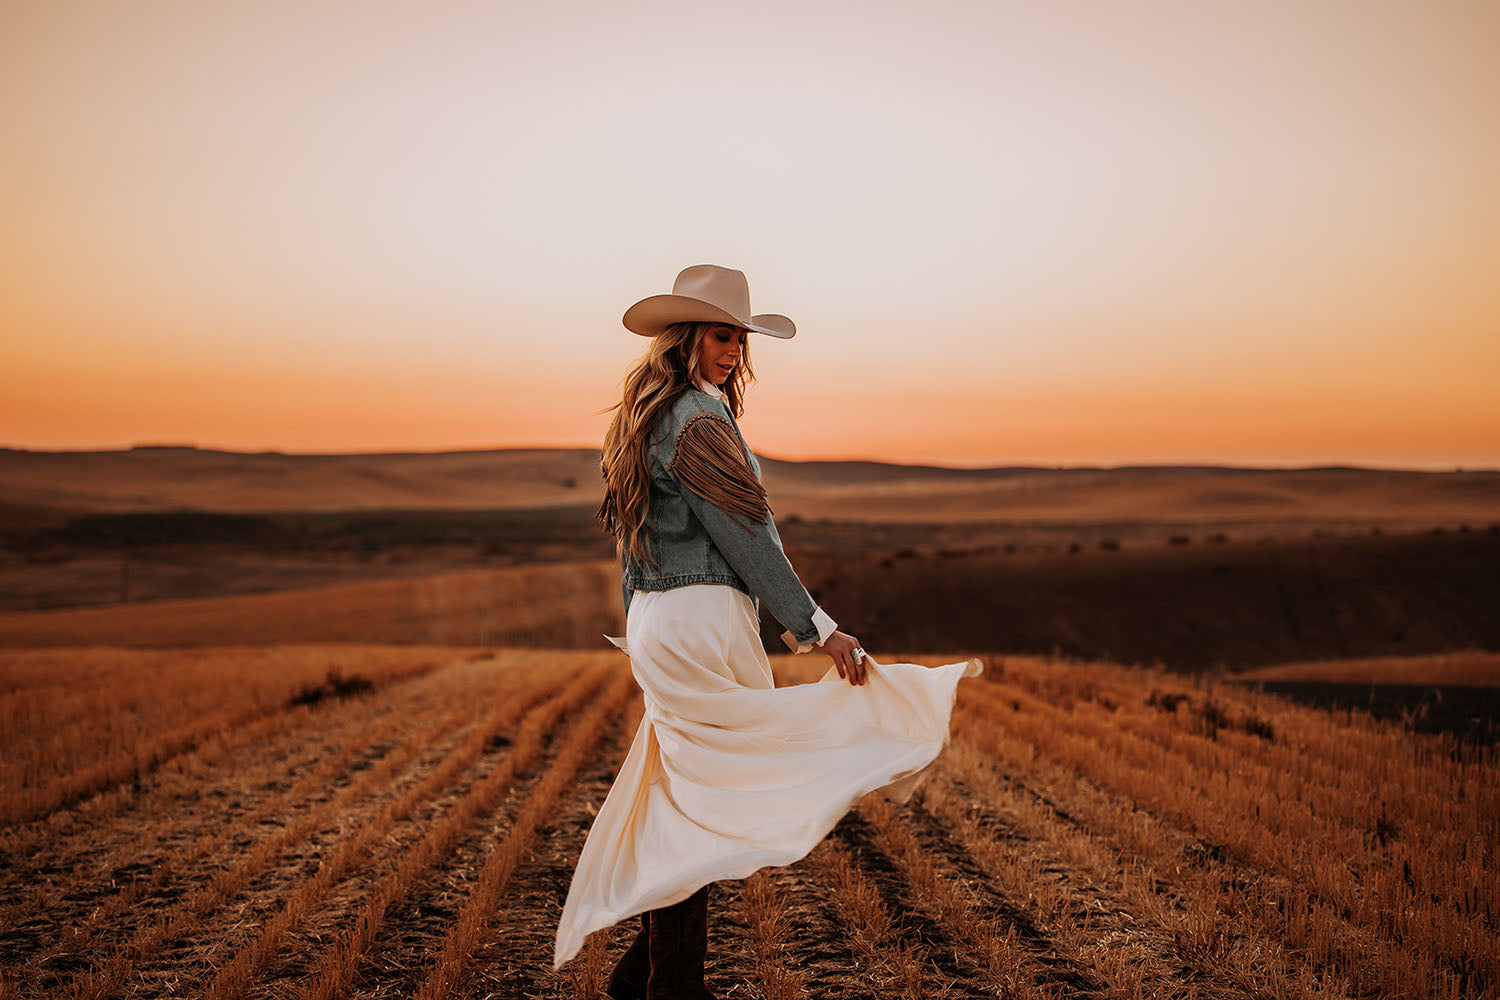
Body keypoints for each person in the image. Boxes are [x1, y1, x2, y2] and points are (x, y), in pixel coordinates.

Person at [552, 264, 982, 997]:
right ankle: (671, 988)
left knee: (683, 801)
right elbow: (749, 535)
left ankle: (647, 980)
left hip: (662, 621)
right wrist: (819, 628)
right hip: (699, 620)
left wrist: (643, 625)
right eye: (722, 336)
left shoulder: (647, 417)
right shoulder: (698, 420)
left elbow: (633, 544)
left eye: (740, 340)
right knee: (705, 805)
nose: (733, 352)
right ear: (686, 336)